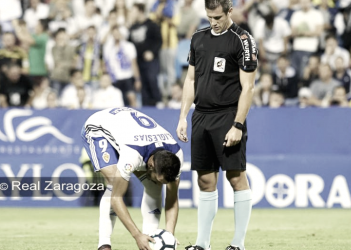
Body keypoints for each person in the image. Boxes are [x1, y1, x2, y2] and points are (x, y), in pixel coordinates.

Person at [176, 0, 258, 250]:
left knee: (236, 178)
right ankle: (202, 244)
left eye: (218, 17)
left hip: (228, 115)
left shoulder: (243, 40)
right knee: (205, 181)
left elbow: (249, 87)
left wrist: (238, 125)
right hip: (201, 116)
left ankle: (238, 244)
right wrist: (182, 116)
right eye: (209, 17)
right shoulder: (198, 37)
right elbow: (191, 80)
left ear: (229, 11)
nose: (213, 22)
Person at [81, 107, 183, 250]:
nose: (161, 182)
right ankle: (104, 244)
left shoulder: (176, 155)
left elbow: (172, 199)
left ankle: (150, 241)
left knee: (154, 186)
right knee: (113, 182)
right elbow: (116, 199)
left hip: (128, 130)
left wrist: (169, 236)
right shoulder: (132, 155)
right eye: (160, 178)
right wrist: (137, 235)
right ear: (151, 165)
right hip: (98, 128)